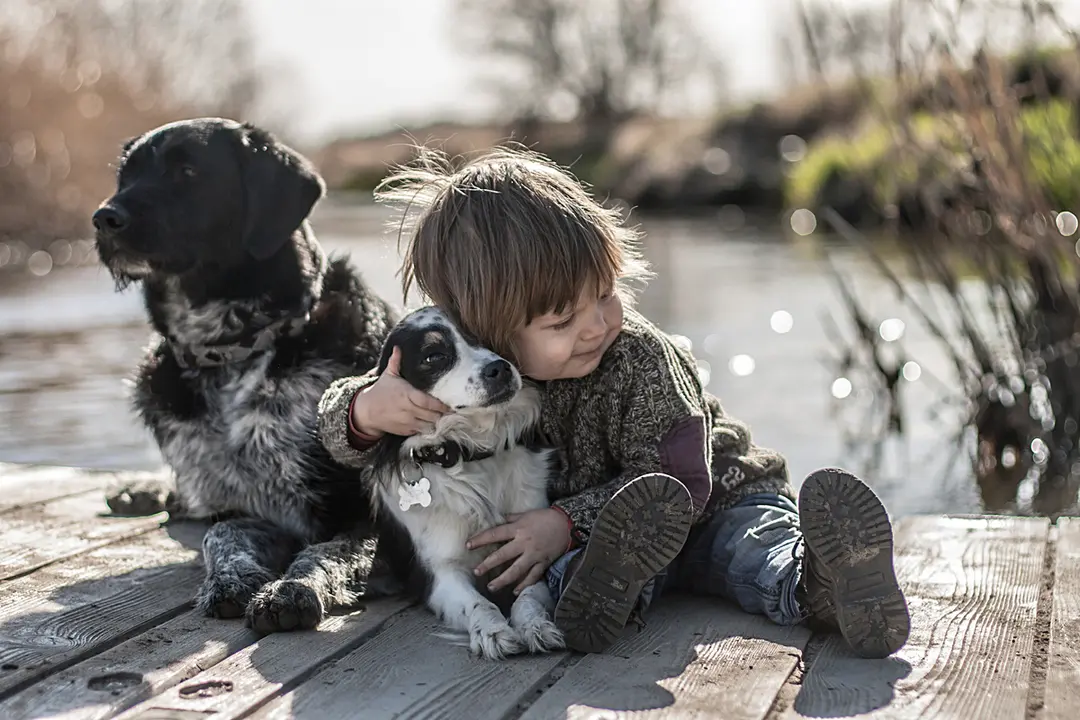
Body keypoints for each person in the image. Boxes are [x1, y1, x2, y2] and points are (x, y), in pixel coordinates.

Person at [316, 146, 910, 659]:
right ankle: (597, 603)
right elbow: (340, 422)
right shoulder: (492, 370)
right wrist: (367, 409)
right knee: (584, 569)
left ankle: (822, 580)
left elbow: (680, 480)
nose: (597, 324)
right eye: (562, 319)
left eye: (605, 293)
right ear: (488, 331)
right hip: (615, 540)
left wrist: (566, 521)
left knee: (745, 549)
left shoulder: (639, 360)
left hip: (715, 502)